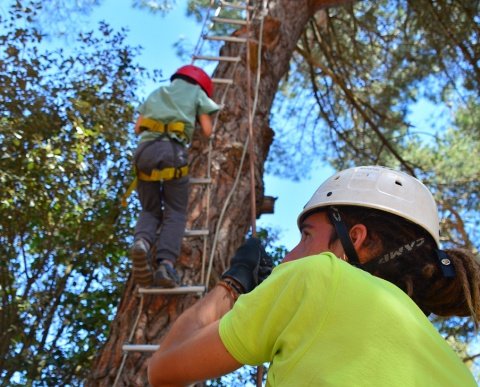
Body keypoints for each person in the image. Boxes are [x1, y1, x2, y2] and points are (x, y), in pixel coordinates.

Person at [147, 165, 480, 386]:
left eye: (306, 235)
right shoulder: (453, 367)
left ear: (356, 238)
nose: (287, 259)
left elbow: (163, 369)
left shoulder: (318, 275)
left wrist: (233, 283)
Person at [130, 65, 220, 288]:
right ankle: (166, 264)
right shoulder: (197, 93)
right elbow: (208, 131)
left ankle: (141, 241)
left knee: (150, 208)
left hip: (144, 152)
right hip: (172, 151)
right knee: (175, 210)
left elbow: (137, 127)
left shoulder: (157, 92)